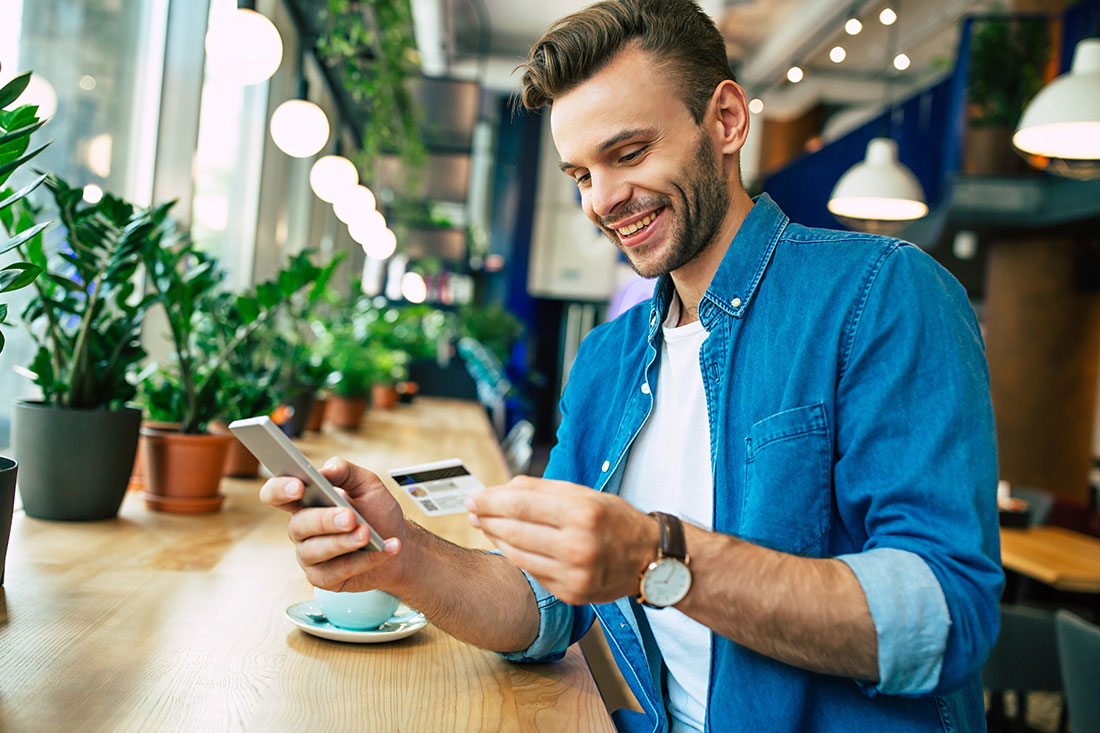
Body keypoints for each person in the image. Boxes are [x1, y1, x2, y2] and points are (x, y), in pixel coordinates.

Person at [260, 1, 1003, 730]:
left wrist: (657, 556)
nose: (604, 201)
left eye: (628, 153)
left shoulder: (884, 294)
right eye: (580, 175)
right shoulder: (608, 359)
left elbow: (945, 613)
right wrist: (398, 553)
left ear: (727, 121)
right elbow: (546, 605)